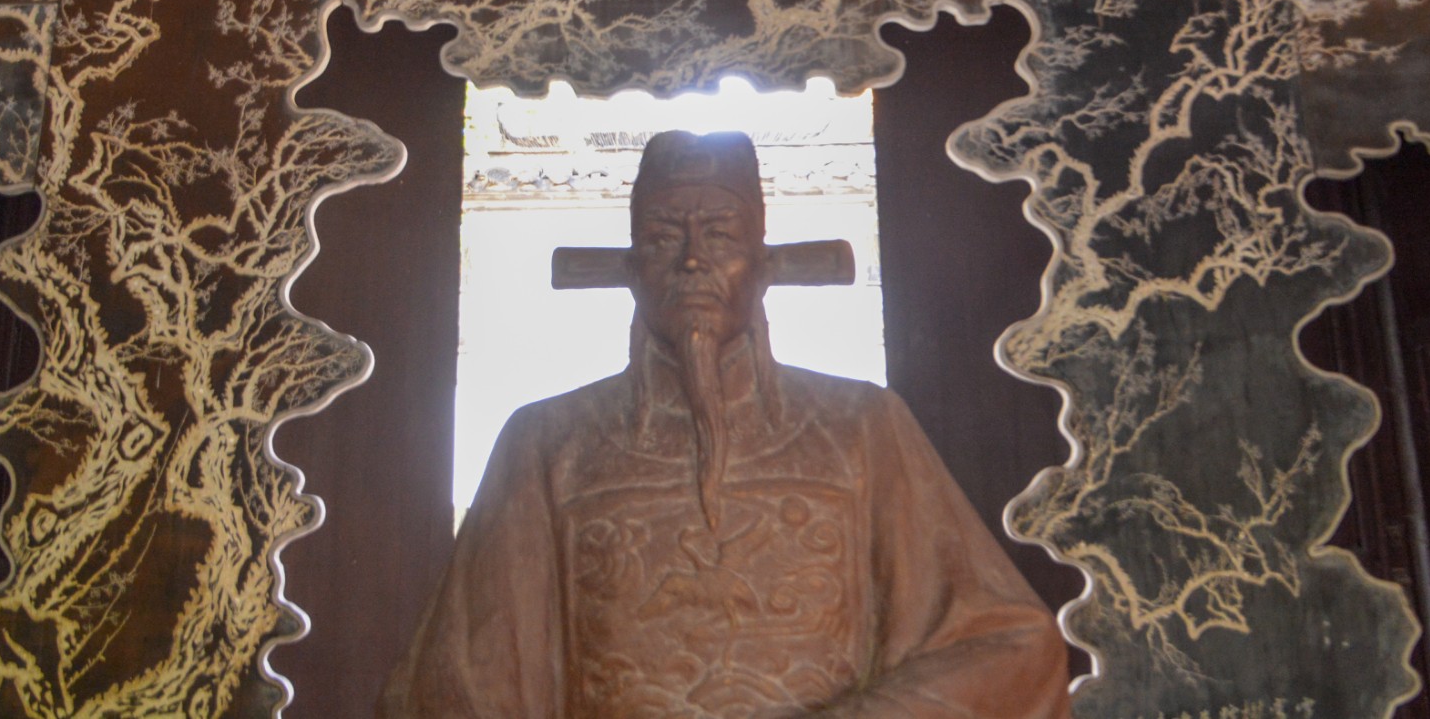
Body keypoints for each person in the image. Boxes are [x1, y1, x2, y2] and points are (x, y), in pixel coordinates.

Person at [380, 129, 1073, 719]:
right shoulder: (547, 444)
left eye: (719, 234)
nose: (692, 260)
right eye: (662, 237)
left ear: (764, 263)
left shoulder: (861, 427)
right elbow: (456, 688)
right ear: (632, 267)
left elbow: (1013, 644)